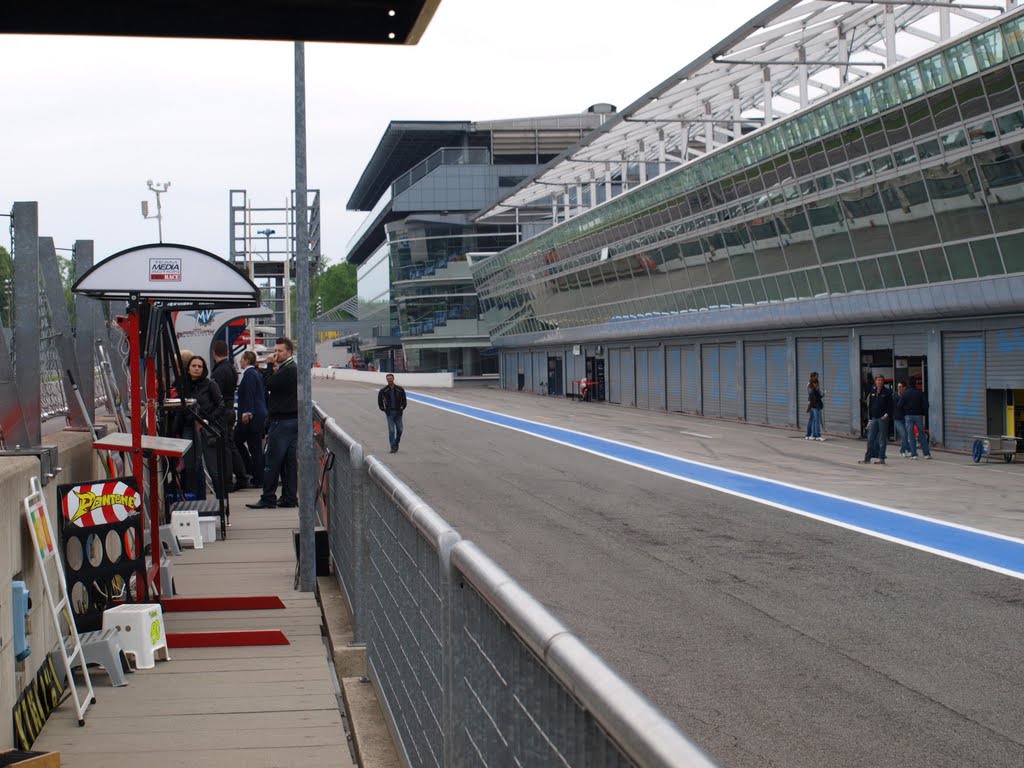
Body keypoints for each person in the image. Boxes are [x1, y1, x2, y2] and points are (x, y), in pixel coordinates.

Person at [247, 337, 298, 509]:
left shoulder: (288, 370)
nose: (276, 354)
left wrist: (269, 365)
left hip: (282, 421)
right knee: (289, 463)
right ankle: (289, 498)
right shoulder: (289, 369)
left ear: (289, 352)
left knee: (272, 461)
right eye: (274, 351)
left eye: (280, 351)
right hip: (292, 420)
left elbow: (269, 384)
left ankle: (268, 497)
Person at [181, 355, 226, 499]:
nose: (196, 369)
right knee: (190, 468)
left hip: (208, 429)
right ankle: (193, 500)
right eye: (193, 366)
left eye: (199, 366)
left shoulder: (210, 384)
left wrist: (207, 420)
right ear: (188, 368)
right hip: (189, 427)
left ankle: (221, 502)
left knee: (214, 469)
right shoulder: (183, 385)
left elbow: (221, 405)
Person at [210, 340, 248, 492]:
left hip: (223, 411)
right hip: (230, 408)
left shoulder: (219, 371)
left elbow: (216, 393)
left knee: (224, 447)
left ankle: (228, 482)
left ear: (214, 353)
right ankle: (241, 476)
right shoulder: (231, 368)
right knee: (230, 444)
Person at [234, 350, 267, 487]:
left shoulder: (248, 374)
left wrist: (247, 413)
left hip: (252, 418)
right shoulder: (256, 374)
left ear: (247, 361)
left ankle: (256, 476)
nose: (240, 362)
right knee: (254, 447)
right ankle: (255, 474)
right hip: (259, 416)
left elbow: (249, 394)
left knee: (245, 444)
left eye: (241, 359)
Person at [859, 375, 893, 465]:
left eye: (881, 380)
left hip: (883, 419)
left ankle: (881, 458)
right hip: (874, 418)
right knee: (870, 438)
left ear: (883, 381)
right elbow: (870, 405)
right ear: (875, 381)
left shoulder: (887, 392)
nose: (880, 382)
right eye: (878, 380)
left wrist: (886, 415)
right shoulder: (873, 391)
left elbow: (891, 406)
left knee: (882, 439)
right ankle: (867, 458)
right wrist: (869, 419)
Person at [899, 379, 932, 460]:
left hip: (908, 416)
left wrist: (905, 412)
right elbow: (926, 404)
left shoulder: (905, 393)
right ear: (915, 384)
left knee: (911, 435)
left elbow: (899, 405)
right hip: (918, 415)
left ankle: (914, 454)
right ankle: (926, 454)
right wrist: (923, 412)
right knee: (922, 434)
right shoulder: (920, 392)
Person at [378, 373, 407, 453]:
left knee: (400, 429)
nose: (389, 380)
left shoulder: (400, 389)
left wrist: (402, 408)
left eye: (391, 378)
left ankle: (396, 442)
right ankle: (393, 447)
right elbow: (380, 401)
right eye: (388, 378)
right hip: (390, 413)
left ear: (393, 379)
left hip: (398, 413)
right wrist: (384, 409)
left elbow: (404, 400)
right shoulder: (383, 390)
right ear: (386, 380)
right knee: (391, 430)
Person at [805, 372, 825, 441]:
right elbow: (814, 396)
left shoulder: (813, 384)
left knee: (812, 420)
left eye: (817, 376)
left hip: (813, 404)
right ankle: (816, 435)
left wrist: (820, 394)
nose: (817, 378)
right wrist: (821, 395)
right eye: (816, 376)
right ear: (812, 377)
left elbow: (815, 395)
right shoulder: (811, 385)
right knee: (816, 420)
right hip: (815, 405)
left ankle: (810, 435)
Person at [893, 381, 910, 457]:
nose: (899, 388)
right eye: (898, 387)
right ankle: (907, 450)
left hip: (905, 418)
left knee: (905, 435)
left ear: (904, 388)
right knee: (903, 434)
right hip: (897, 419)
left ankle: (903, 450)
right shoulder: (894, 396)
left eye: (900, 387)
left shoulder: (906, 396)